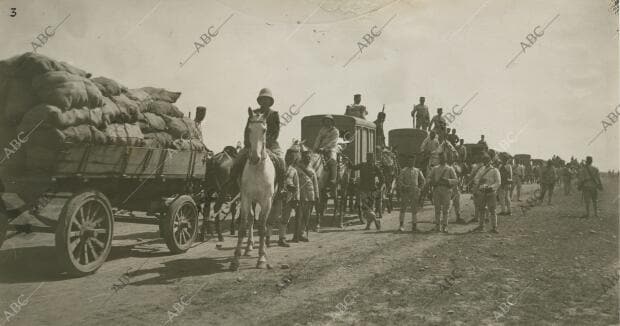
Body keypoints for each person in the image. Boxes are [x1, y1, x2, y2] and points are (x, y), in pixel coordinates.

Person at [229, 88, 286, 196]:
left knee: (282, 162)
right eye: (263, 99)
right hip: (253, 144)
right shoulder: (254, 113)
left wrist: (265, 144)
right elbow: (247, 130)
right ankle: (232, 183)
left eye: (267, 99)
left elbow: (275, 133)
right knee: (237, 160)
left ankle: (282, 187)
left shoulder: (274, 114)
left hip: (271, 144)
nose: (265, 101)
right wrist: (249, 143)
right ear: (260, 101)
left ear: (270, 101)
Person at [274, 145, 301, 247]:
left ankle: (282, 238)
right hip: (277, 196)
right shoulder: (279, 168)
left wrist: (296, 198)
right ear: (286, 156)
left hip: (289, 197)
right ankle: (267, 238)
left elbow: (297, 186)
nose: (290, 159)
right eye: (289, 156)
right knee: (274, 217)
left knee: (285, 219)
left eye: (293, 157)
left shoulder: (294, 171)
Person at [293, 145, 320, 242]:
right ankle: (296, 235)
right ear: (302, 157)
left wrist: (317, 196)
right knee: (299, 216)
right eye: (306, 157)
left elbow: (315, 184)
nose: (308, 159)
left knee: (306, 217)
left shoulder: (312, 170)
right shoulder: (297, 168)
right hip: (301, 196)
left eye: (309, 157)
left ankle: (302, 234)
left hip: (310, 196)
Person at [350, 153, 384, 230]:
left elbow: (382, 178)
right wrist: (348, 161)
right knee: (367, 208)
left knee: (368, 208)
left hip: (370, 191)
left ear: (372, 159)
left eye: (371, 158)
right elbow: (353, 167)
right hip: (365, 190)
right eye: (369, 158)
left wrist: (378, 188)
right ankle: (375, 221)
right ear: (367, 158)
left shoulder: (374, 167)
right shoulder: (365, 165)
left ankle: (371, 223)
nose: (370, 160)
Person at [427, 154, 458, 232]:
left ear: (446, 159)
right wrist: (432, 181)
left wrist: (447, 181)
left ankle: (445, 226)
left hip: (446, 190)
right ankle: (437, 225)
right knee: (437, 208)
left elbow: (456, 180)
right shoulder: (435, 168)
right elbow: (429, 178)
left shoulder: (450, 168)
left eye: (443, 158)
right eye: (440, 158)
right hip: (437, 189)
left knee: (446, 209)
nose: (442, 159)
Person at [472, 154, 501, 233]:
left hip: (491, 192)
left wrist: (491, 187)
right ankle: (481, 226)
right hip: (482, 191)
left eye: (486, 160)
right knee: (481, 209)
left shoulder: (495, 170)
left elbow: (498, 182)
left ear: (490, 161)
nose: (485, 162)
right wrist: (479, 181)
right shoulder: (481, 169)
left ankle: (494, 227)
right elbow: (476, 179)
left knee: (492, 210)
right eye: (484, 160)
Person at [396, 155, 425, 232]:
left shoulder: (417, 170)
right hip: (406, 191)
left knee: (414, 209)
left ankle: (414, 226)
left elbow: (423, 180)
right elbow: (399, 181)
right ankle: (401, 225)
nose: (411, 162)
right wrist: (404, 186)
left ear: (414, 162)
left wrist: (420, 188)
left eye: (413, 161)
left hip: (414, 191)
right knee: (403, 208)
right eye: (410, 161)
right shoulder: (403, 170)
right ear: (407, 161)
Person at [313, 115, 339, 195]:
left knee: (332, 160)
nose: (326, 122)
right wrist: (315, 148)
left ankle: (333, 179)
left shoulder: (335, 131)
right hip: (321, 149)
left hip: (331, 149)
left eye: (328, 121)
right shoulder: (322, 130)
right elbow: (318, 139)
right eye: (325, 121)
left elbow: (333, 142)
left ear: (331, 122)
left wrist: (324, 148)